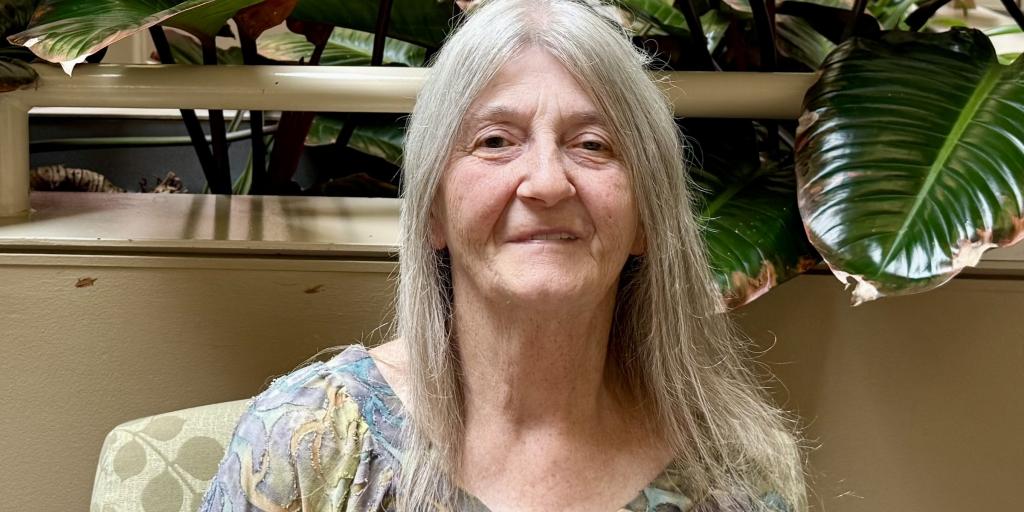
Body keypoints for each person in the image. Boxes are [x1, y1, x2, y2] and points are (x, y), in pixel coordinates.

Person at [199, 0, 806, 510]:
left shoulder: (734, 478)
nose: (546, 182)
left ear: (647, 217)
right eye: (496, 141)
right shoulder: (309, 443)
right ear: (433, 210)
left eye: (592, 144)